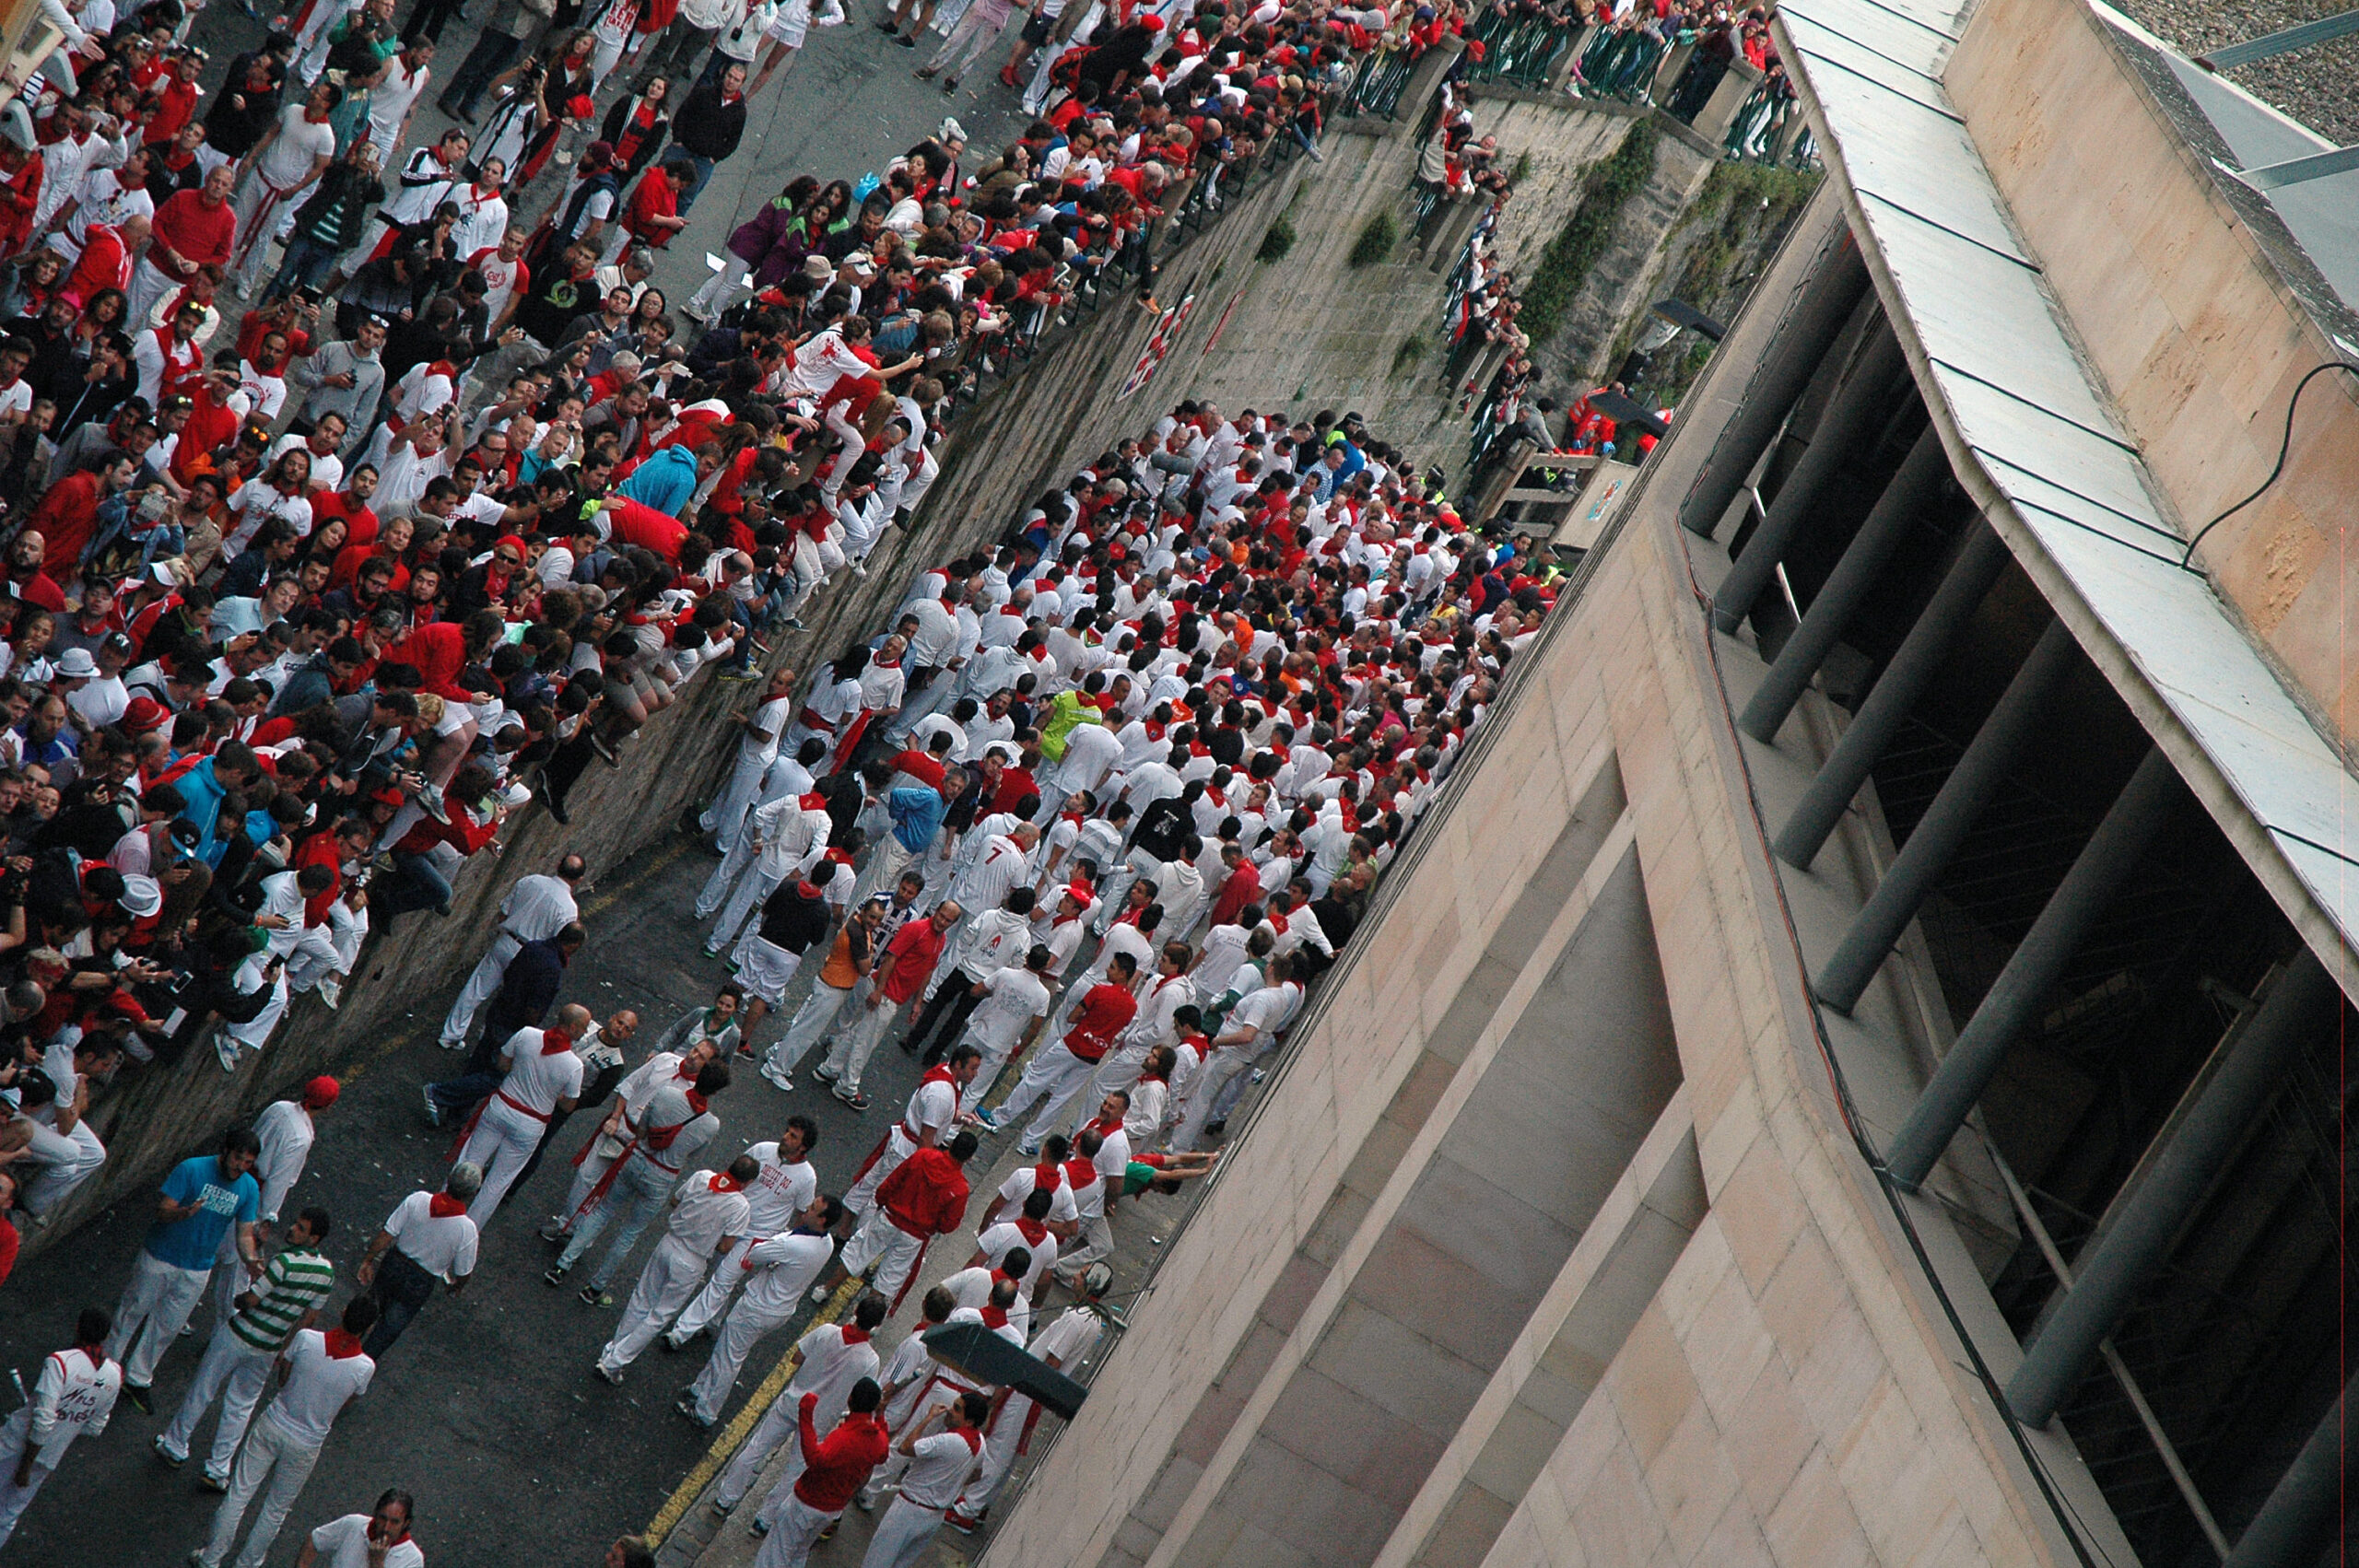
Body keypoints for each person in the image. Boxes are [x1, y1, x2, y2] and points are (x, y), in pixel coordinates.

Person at [157, 1207, 337, 1488]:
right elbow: (309, 1318)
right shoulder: (326, 1273)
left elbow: (252, 1300)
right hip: (268, 1347)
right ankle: (218, 1468)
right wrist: (284, 1347)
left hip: (238, 1334)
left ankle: (175, 1445)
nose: (292, 1229)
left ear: (314, 1238)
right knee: (240, 1405)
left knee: (204, 1388)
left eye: (300, 1228)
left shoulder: (283, 1263)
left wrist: (239, 1300)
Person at [194, 1295, 381, 1568]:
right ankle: (247, 1563)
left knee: (239, 1493)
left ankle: (211, 1557)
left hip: (275, 1421)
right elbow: (346, 1402)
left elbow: (283, 1379)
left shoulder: (306, 1339)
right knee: (275, 1510)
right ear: (369, 1327)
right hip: (307, 1442)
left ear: (343, 1312)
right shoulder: (365, 1368)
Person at [945, 1262, 1113, 1531]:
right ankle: (980, 1505)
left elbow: (1051, 1362)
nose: (1074, 1277)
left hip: (1027, 1389)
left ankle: (968, 1508)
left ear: (1090, 1284)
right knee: (1008, 1452)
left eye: (1080, 1276)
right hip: (1034, 1393)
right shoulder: (1091, 1320)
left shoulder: (1075, 1319)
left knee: (999, 1449)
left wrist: (1008, 1391)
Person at [107, 1129, 263, 1412]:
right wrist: (183, 1213)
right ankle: (106, 1370)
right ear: (225, 1150)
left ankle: (138, 1378)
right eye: (238, 1159)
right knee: (131, 1312)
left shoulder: (249, 1188)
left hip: (198, 1267)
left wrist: (250, 1259)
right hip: (160, 1257)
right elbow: (163, 1210)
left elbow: (244, 1233)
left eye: (248, 1163)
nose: (240, 1167)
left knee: (168, 1325)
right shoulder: (191, 1169)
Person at [677, 1193, 843, 1429]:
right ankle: (700, 1388)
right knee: (727, 1348)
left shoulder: (792, 1244)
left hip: (758, 1307)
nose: (807, 1208)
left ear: (822, 1221)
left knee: (729, 1357)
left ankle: (706, 1410)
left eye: (813, 1208)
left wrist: (772, 1242)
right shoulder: (825, 1243)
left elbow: (756, 1254)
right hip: (779, 1308)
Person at [710, 1293, 884, 1515]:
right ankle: (765, 1517)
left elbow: (797, 1358)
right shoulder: (870, 1361)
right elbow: (858, 1395)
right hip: (819, 1419)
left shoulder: (826, 1331)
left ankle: (725, 1498)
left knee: (756, 1448)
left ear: (856, 1311)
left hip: (793, 1401)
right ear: (877, 1324)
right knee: (794, 1471)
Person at [592, 1154, 754, 1383]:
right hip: (692, 1260)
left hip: (668, 1242)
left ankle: (613, 1349)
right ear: (747, 1183)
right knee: (659, 1315)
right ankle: (614, 1362)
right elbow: (726, 1246)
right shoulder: (740, 1207)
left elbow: (675, 1201)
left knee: (641, 1300)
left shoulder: (702, 1176)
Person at [665, 1116, 818, 1346]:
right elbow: (734, 1175)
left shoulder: (807, 1178)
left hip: (757, 1237)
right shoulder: (763, 1149)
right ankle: (712, 1322)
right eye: (787, 1131)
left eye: (793, 1136)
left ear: (803, 1147)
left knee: (722, 1279)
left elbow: (801, 1215)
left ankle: (680, 1333)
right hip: (732, 1222)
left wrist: (784, 1247)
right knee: (720, 1271)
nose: (785, 1137)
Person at [977, 949, 1139, 1155]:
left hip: (1073, 1044)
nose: (1108, 969)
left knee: (1035, 1078)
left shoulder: (1099, 991)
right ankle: (1030, 1141)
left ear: (1123, 973)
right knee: (1061, 1098)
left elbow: (1073, 1016)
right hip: (1092, 1057)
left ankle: (999, 1118)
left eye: (1113, 967)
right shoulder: (1132, 1006)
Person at [815, 1129, 975, 1315]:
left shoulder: (922, 1156)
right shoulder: (960, 1188)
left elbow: (892, 1181)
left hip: (890, 1217)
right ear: (969, 1158)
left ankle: (825, 1289)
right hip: (915, 1236)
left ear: (952, 1144)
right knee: (888, 1278)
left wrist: (881, 1203)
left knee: (857, 1254)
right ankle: (862, 1318)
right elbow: (949, 1225)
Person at [453, 1002, 588, 1223]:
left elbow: (503, 1063)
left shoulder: (526, 1034)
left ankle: (444, 1208)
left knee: (469, 1161)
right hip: (530, 1125)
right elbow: (568, 1105)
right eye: (584, 1027)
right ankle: (469, 1229)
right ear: (573, 1028)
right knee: (498, 1182)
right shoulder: (574, 1066)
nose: (585, 1032)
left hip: (502, 1105)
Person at [0, 1307, 121, 1551]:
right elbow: (96, 1426)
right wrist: (67, 1427)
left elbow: (43, 1420)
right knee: (8, 1515)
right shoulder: (114, 1374)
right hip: (50, 1456)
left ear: (78, 1328)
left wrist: (25, 1465)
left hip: (14, 1446)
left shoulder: (60, 1362)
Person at [440, 853, 586, 1047]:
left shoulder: (530, 881)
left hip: (506, 941)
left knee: (476, 989)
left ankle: (450, 1035)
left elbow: (503, 913)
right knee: (511, 1001)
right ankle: (490, 1040)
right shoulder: (568, 908)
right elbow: (558, 944)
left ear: (558, 865)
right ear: (579, 880)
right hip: (530, 956)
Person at [748, 1377, 890, 1568]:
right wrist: (880, 1417)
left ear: (850, 1399)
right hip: (832, 1509)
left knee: (775, 1555)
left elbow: (814, 1459)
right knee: (799, 1552)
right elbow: (883, 1455)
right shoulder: (878, 1439)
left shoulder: (844, 1438)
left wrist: (805, 1414)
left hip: (806, 1503)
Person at [355, 1165, 482, 1357]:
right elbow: (464, 1272)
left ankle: (344, 1347)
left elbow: (387, 1234)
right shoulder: (467, 1230)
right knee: (388, 1329)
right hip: (421, 1282)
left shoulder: (418, 1200)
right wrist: (456, 1287)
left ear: (449, 1179)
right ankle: (361, 1365)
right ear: (473, 1193)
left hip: (393, 1264)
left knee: (366, 1311)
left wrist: (368, 1260)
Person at [858, 1390, 991, 1568]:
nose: (950, 1410)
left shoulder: (948, 1441)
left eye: (957, 1409)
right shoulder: (980, 1443)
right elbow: (976, 1475)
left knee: (876, 1562)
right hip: (934, 1517)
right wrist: (950, 1482)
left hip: (908, 1510)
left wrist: (929, 1418)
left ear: (969, 1421)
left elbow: (905, 1448)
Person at [293, 1488, 421, 1568]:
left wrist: (376, 1562)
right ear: (375, 1514)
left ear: (405, 1523)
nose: (386, 1528)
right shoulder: (353, 1524)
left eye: (395, 1522)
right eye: (382, 1518)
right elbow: (315, 1540)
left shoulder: (412, 1559)